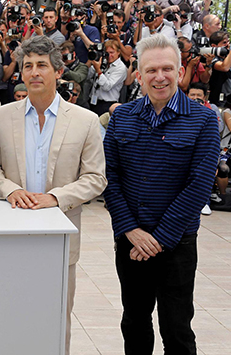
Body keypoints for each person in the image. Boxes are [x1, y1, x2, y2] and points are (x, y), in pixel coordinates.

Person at [0, 35, 106, 355]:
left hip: (60, 238)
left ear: (57, 72)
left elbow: (95, 178)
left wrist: (57, 197)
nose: (35, 72)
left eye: (42, 66)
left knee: (56, 318)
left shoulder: (85, 121)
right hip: (8, 234)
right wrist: (12, 190)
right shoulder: (0, 117)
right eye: (28, 66)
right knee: (6, 316)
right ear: (21, 73)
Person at [103, 34, 220, 355]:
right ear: (138, 75)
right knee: (135, 323)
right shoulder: (122, 117)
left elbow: (198, 186)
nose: (160, 77)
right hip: (131, 241)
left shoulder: (204, 119)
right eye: (151, 70)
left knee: (177, 328)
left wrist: (158, 239)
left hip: (177, 245)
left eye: (167, 69)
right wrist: (131, 231)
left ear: (180, 72)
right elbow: (109, 178)